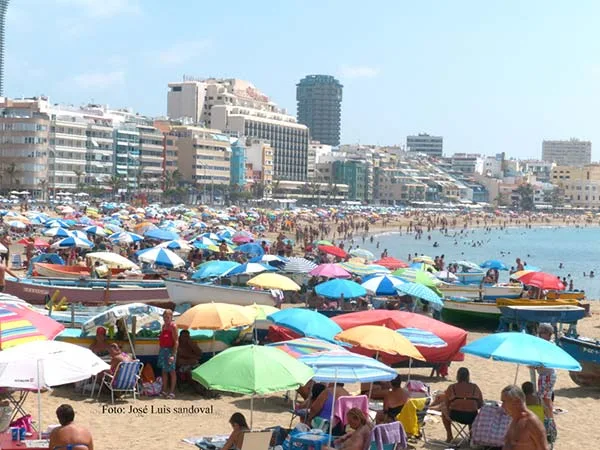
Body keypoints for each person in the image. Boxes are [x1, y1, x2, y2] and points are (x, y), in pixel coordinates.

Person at [442, 367, 483, 443]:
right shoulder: (475, 387)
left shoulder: (452, 387)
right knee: (472, 410)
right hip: (471, 417)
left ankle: (449, 435)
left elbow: (446, 403)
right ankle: (471, 436)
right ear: (468, 376)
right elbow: (480, 404)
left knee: (444, 412)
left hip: (455, 415)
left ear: (457, 376)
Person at [501, 385, 548, 450]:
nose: (502, 406)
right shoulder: (514, 419)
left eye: (504, 402)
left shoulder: (532, 422)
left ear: (517, 401)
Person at [158, 309, 178, 399]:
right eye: (164, 317)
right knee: (164, 371)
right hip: (163, 350)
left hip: (170, 350)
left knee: (172, 372)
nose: (166, 319)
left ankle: (172, 391)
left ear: (171, 317)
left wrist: (173, 355)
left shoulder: (173, 326)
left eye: (168, 317)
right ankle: (164, 390)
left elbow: (176, 341)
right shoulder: (163, 326)